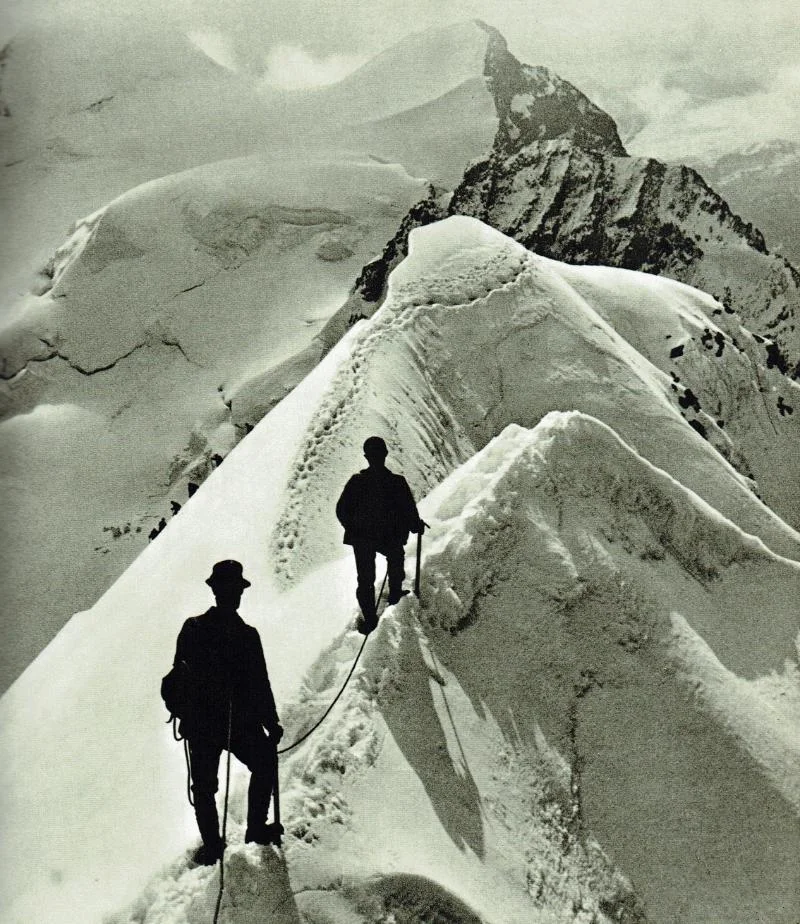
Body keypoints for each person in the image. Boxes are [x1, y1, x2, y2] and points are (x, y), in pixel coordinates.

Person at [169, 560, 284, 864]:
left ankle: (214, 846)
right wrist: (270, 721)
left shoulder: (193, 628)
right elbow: (260, 683)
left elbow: (179, 674)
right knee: (263, 763)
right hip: (237, 722)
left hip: (202, 724)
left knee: (204, 787)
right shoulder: (246, 635)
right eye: (235, 589)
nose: (237, 594)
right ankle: (254, 830)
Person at [336, 436, 424, 633]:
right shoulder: (396, 482)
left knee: (365, 579)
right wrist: (415, 525)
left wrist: (354, 528)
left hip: (362, 539)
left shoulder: (357, 482)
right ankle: (394, 596)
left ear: (366, 457)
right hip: (388, 537)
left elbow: (341, 510)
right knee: (396, 558)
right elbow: (409, 511)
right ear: (385, 454)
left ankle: (370, 617)